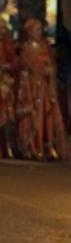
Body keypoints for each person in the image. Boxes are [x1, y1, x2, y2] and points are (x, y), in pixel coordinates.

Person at [15, 19, 69, 160]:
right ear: (30, 32)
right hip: (31, 87)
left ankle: (48, 147)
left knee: (48, 116)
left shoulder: (45, 47)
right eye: (36, 29)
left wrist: (50, 71)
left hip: (45, 87)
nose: (39, 32)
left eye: (40, 29)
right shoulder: (25, 48)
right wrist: (40, 70)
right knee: (33, 116)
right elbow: (26, 66)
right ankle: (33, 147)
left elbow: (52, 64)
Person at [0, 18, 18, 158]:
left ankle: (6, 147)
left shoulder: (7, 45)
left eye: (3, 28)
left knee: (6, 116)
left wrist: (6, 67)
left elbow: (14, 63)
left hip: (4, 84)